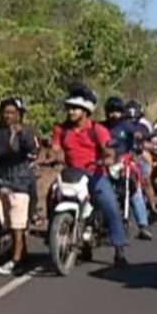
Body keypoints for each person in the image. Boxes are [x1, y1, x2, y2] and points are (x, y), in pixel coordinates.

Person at [49, 84, 129, 268]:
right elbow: (54, 149)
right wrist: (50, 158)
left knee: (110, 208)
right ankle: (53, 234)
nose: (71, 112)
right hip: (70, 173)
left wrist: (108, 159)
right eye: (69, 108)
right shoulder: (60, 130)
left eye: (75, 108)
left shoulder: (97, 129)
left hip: (94, 174)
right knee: (51, 198)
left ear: (85, 112)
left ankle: (119, 250)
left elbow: (108, 148)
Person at [0, 97, 39, 276]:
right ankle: (13, 252)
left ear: (18, 115)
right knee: (0, 216)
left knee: (17, 223)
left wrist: (21, 135)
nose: (8, 116)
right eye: (5, 112)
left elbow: (33, 150)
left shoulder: (25, 131)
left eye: (12, 113)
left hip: (19, 181)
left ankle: (16, 261)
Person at [103, 96, 153, 240]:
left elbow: (140, 132)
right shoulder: (101, 127)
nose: (114, 114)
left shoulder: (126, 126)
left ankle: (143, 225)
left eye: (117, 111)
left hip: (125, 162)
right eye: (111, 111)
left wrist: (140, 136)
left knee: (134, 190)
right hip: (106, 163)